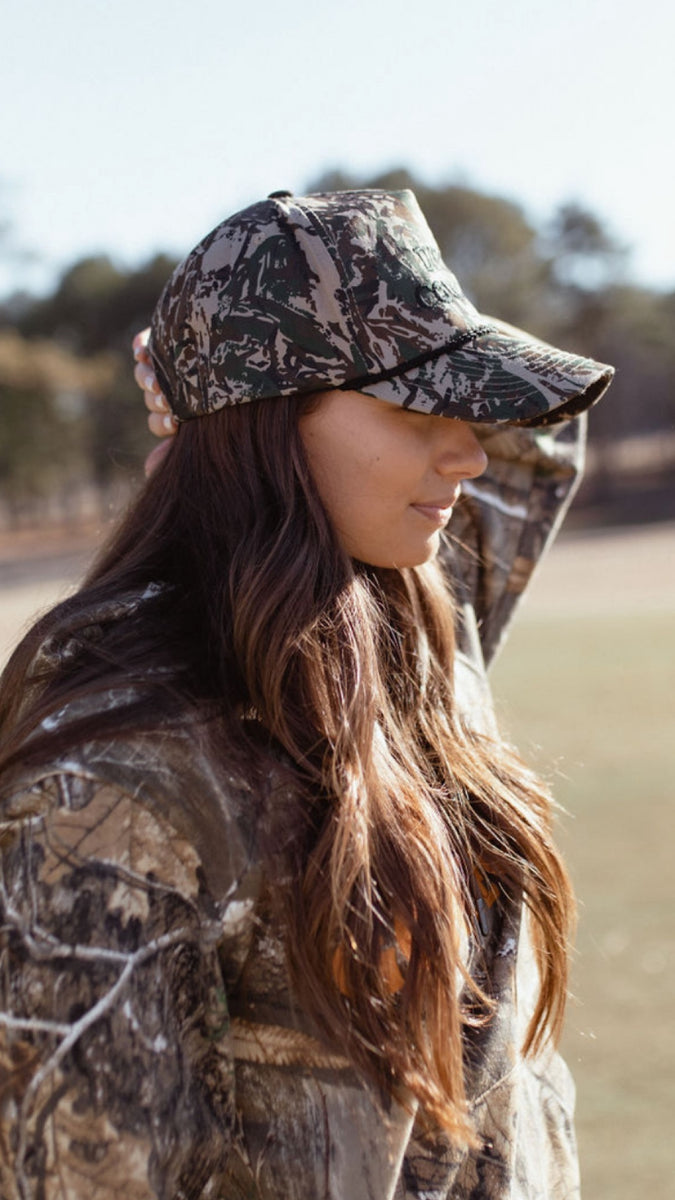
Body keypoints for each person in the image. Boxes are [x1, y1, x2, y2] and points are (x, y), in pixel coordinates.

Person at [0, 188, 613, 1200]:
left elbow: (534, 444)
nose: (466, 449)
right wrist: (215, 397)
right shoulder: (118, 777)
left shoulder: (414, 631)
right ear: (272, 427)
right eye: (418, 406)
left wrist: (217, 395)